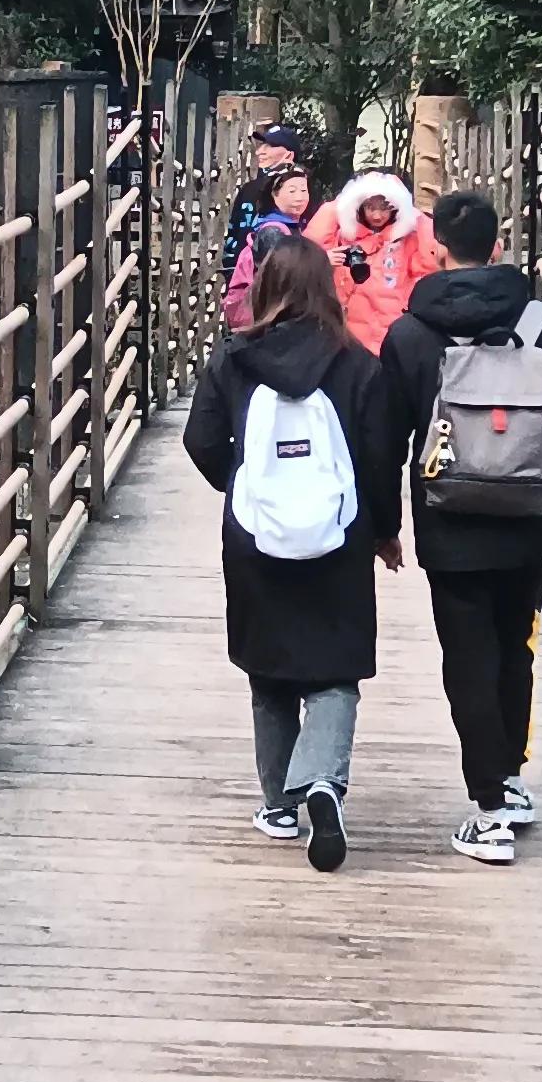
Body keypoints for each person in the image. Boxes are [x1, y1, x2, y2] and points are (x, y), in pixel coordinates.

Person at [374, 186, 542, 865]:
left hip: (449, 522)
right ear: (499, 247)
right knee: (515, 650)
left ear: (435, 249)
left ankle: (490, 809)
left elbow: (386, 438)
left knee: (468, 660)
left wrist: (385, 526)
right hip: (530, 518)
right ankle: (507, 776)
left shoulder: (412, 334)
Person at [181, 230, 403, 870]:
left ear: (265, 290)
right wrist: (382, 530)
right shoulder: (357, 363)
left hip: (256, 537)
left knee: (268, 669)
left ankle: (279, 804)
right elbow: (380, 455)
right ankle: (325, 785)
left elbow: (200, 442)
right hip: (338, 538)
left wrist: (244, 484)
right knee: (335, 671)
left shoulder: (232, 359)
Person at [305, 164, 445, 355]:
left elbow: (429, 269)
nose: (377, 215)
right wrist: (340, 204)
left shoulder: (410, 237)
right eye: (370, 207)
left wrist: (416, 219)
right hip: (349, 334)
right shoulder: (344, 236)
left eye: (384, 208)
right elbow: (308, 253)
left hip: (393, 331)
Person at [215, 116, 310, 297]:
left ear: (288, 155)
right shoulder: (251, 189)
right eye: (261, 145)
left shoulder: (307, 190)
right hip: (255, 282)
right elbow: (236, 236)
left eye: (270, 146)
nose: (260, 152)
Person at [220, 160, 315, 332]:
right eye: (292, 191)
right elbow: (281, 279)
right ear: (274, 194)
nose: (300, 197)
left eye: (304, 190)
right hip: (265, 319)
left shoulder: (290, 227)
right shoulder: (272, 232)